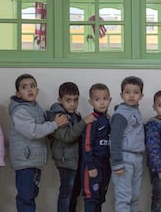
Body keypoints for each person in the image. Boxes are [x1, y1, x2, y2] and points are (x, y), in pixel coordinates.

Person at [8, 74, 68, 212]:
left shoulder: (36, 108)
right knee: (26, 196)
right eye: (24, 87)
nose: (29, 90)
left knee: (32, 194)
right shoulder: (20, 111)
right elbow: (33, 131)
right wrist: (55, 124)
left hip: (33, 161)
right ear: (18, 93)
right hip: (25, 161)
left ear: (37, 90)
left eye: (32, 86)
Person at [46, 82, 95, 212]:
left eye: (75, 100)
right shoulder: (58, 115)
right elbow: (67, 136)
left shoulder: (75, 115)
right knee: (66, 194)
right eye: (68, 100)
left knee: (74, 193)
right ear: (60, 100)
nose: (72, 104)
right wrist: (84, 122)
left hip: (76, 160)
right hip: (65, 161)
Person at [110, 76, 145, 212]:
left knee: (134, 196)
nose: (131, 95)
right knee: (123, 197)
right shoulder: (121, 114)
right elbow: (115, 139)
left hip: (137, 158)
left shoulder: (135, 111)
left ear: (141, 96)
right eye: (127, 92)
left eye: (136, 92)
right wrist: (117, 162)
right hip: (124, 159)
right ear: (121, 94)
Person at [81, 83, 112, 212]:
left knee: (100, 197)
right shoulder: (91, 121)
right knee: (91, 197)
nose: (101, 102)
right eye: (97, 99)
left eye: (104, 99)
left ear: (109, 100)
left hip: (105, 163)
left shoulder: (109, 119)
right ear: (91, 102)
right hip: (93, 164)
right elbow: (87, 145)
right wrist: (91, 166)